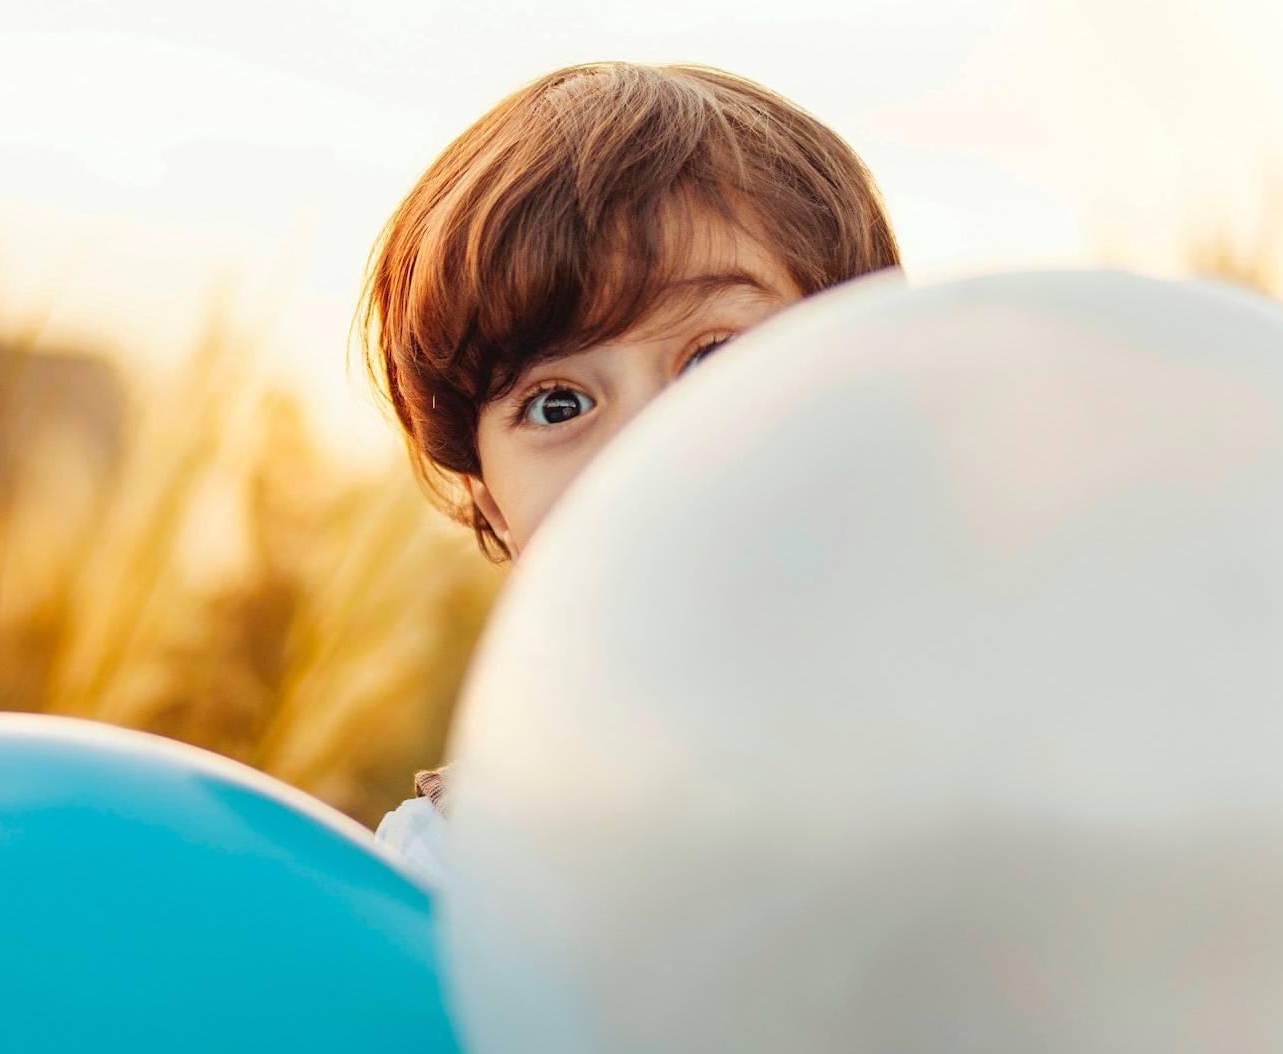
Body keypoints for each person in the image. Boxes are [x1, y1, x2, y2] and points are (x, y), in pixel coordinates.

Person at [357, 61, 902, 885]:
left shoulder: (991, 776)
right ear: (489, 500)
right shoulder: (454, 873)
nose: (649, 444)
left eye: (717, 355)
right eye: (558, 405)